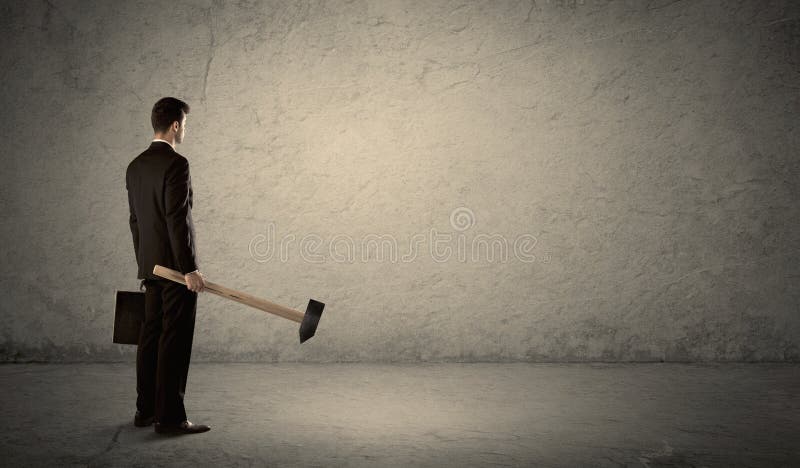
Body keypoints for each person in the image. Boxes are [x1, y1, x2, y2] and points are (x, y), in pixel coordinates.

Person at [126, 97, 210, 434]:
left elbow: (136, 221)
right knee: (173, 340)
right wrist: (189, 269)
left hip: (151, 267)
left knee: (151, 336)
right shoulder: (177, 164)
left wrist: (146, 266)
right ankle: (171, 418)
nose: (184, 130)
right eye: (184, 124)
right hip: (175, 270)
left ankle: (145, 411)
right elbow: (178, 219)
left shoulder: (135, 166)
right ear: (175, 125)